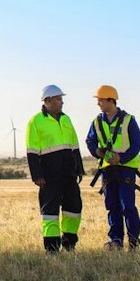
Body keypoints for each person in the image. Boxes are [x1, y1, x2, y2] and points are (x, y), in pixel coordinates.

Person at [25, 84, 83, 253]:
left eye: (61, 99)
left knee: (74, 209)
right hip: (49, 176)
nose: (61, 102)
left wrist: (79, 168)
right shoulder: (35, 121)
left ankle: (69, 243)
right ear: (47, 101)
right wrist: (37, 176)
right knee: (50, 213)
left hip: (69, 174)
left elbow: (74, 145)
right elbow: (32, 151)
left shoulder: (66, 119)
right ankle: (51, 249)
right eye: (58, 99)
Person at [86, 84, 140, 250]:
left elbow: (136, 144)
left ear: (111, 100)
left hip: (126, 170)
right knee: (112, 207)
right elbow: (90, 141)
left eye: (101, 100)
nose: (98, 104)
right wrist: (98, 152)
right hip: (108, 171)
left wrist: (121, 158)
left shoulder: (129, 120)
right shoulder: (96, 122)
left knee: (128, 207)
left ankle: (133, 242)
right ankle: (116, 241)